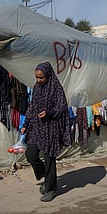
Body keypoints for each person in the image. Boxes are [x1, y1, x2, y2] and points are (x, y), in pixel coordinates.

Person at [21, 62, 71, 202]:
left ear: (48, 75)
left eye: (41, 78)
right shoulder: (37, 88)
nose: (38, 80)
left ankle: (51, 189)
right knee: (31, 155)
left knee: (50, 160)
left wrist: (49, 112)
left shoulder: (56, 88)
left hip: (51, 128)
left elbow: (62, 107)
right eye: (37, 77)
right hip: (37, 128)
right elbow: (32, 106)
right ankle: (47, 177)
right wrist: (25, 124)